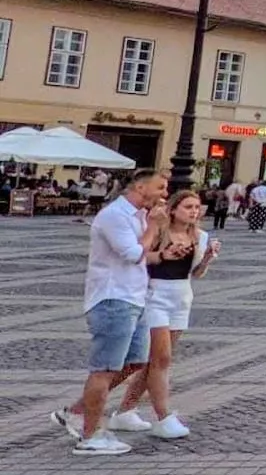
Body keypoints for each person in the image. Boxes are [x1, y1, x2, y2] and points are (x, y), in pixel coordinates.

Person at [53, 168, 169, 456]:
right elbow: (132, 253)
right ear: (141, 188)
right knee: (104, 369)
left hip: (134, 297)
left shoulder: (139, 214)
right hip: (112, 299)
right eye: (160, 188)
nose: (164, 194)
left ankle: (76, 410)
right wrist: (154, 228)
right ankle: (90, 435)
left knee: (135, 362)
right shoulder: (114, 215)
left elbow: (145, 254)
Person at [112, 189, 220, 439]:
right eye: (188, 207)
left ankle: (125, 411)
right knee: (162, 360)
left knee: (151, 363)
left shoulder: (200, 236)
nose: (194, 211)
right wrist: (163, 254)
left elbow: (196, 274)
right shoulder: (158, 233)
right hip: (154, 297)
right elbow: (137, 260)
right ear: (173, 209)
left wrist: (206, 259)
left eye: (197, 207)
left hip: (181, 298)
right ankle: (164, 417)